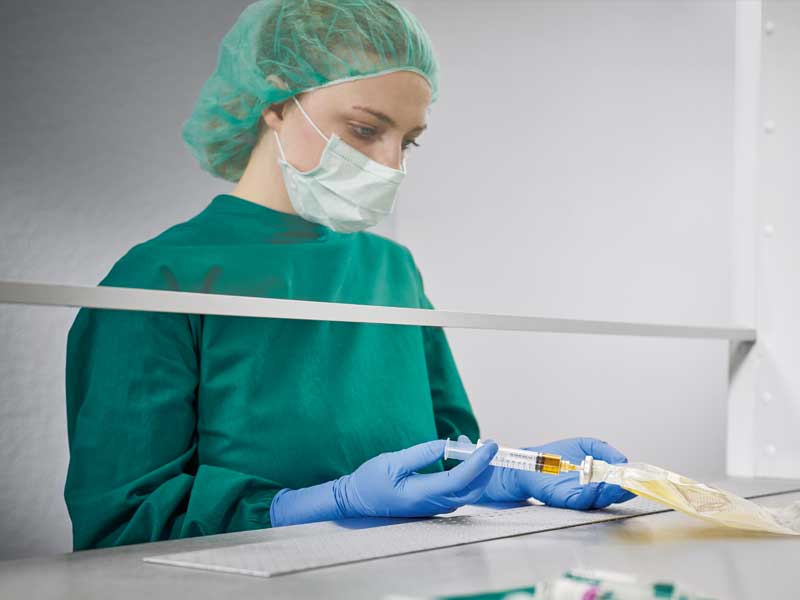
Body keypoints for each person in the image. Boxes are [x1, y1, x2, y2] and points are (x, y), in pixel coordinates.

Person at [64, 0, 634, 551]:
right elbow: (121, 524)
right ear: (276, 100)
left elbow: (442, 457)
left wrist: (509, 474)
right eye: (365, 129)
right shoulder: (158, 278)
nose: (392, 164)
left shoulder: (392, 270)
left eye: (408, 141)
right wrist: (315, 505)